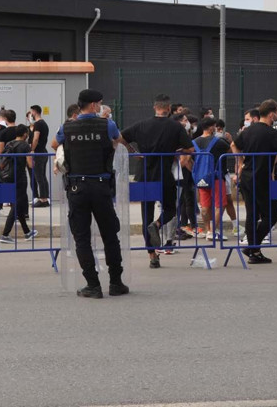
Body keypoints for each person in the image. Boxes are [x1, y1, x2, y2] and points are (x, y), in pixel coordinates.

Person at [56, 89, 128, 299]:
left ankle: (93, 285)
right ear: (95, 105)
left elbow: (55, 143)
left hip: (77, 188)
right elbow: (119, 139)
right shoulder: (107, 124)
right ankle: (115, 283)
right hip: (101, 187)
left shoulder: (67, 127)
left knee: (82, 238)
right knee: (109, 235)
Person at [121, 94, 193, 269]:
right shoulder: (175, 127)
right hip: (164, 174)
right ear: (168, 109)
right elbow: (190, 148)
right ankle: (158, 224)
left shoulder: (141, 125)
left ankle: (152, 256)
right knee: (170, 208)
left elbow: (120, 138)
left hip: (144, 174)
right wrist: (174, 151)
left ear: (155, 107)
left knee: (147, 213)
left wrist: (133, 151)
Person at [231, 99, 277, 264]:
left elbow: (234, 144)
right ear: (272, 113)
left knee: (252, 213)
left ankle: (254, 251)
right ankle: (253, 247)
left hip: (247, 177)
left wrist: (241, 163)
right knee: (273, 214)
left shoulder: (248, 130)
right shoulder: (270, 132)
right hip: (261, 178)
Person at [189, 117, 231, 240]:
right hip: (216, 177)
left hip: (201, 178)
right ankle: (213, 232)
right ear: (212, 127)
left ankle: (208, 230)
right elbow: (230, 150)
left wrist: (195, 171)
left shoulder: (194, 142)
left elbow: (187, 159)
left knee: (205, 206)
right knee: (220, 204)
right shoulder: (218, 141)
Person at [0, 124, 36, 244]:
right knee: (16, 205)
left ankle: (27, 232)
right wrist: (33, 156)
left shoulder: (9, 143)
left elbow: (1, 159)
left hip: (8, 177)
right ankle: (5, 234)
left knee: (17, 204)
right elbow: (30, 165)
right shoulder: (25, 146)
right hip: (20, 177)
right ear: (25, 134)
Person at [28, 105, 50, 208]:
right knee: (43, 176)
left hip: (38, 153)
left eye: (31, 112)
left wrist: (32, 149)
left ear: (34, 111)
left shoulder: (38, 124)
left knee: (39, 176)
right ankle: (45, 197)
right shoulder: (44, 123)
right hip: (43, 152)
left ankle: (42, 199)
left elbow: (36, 138)